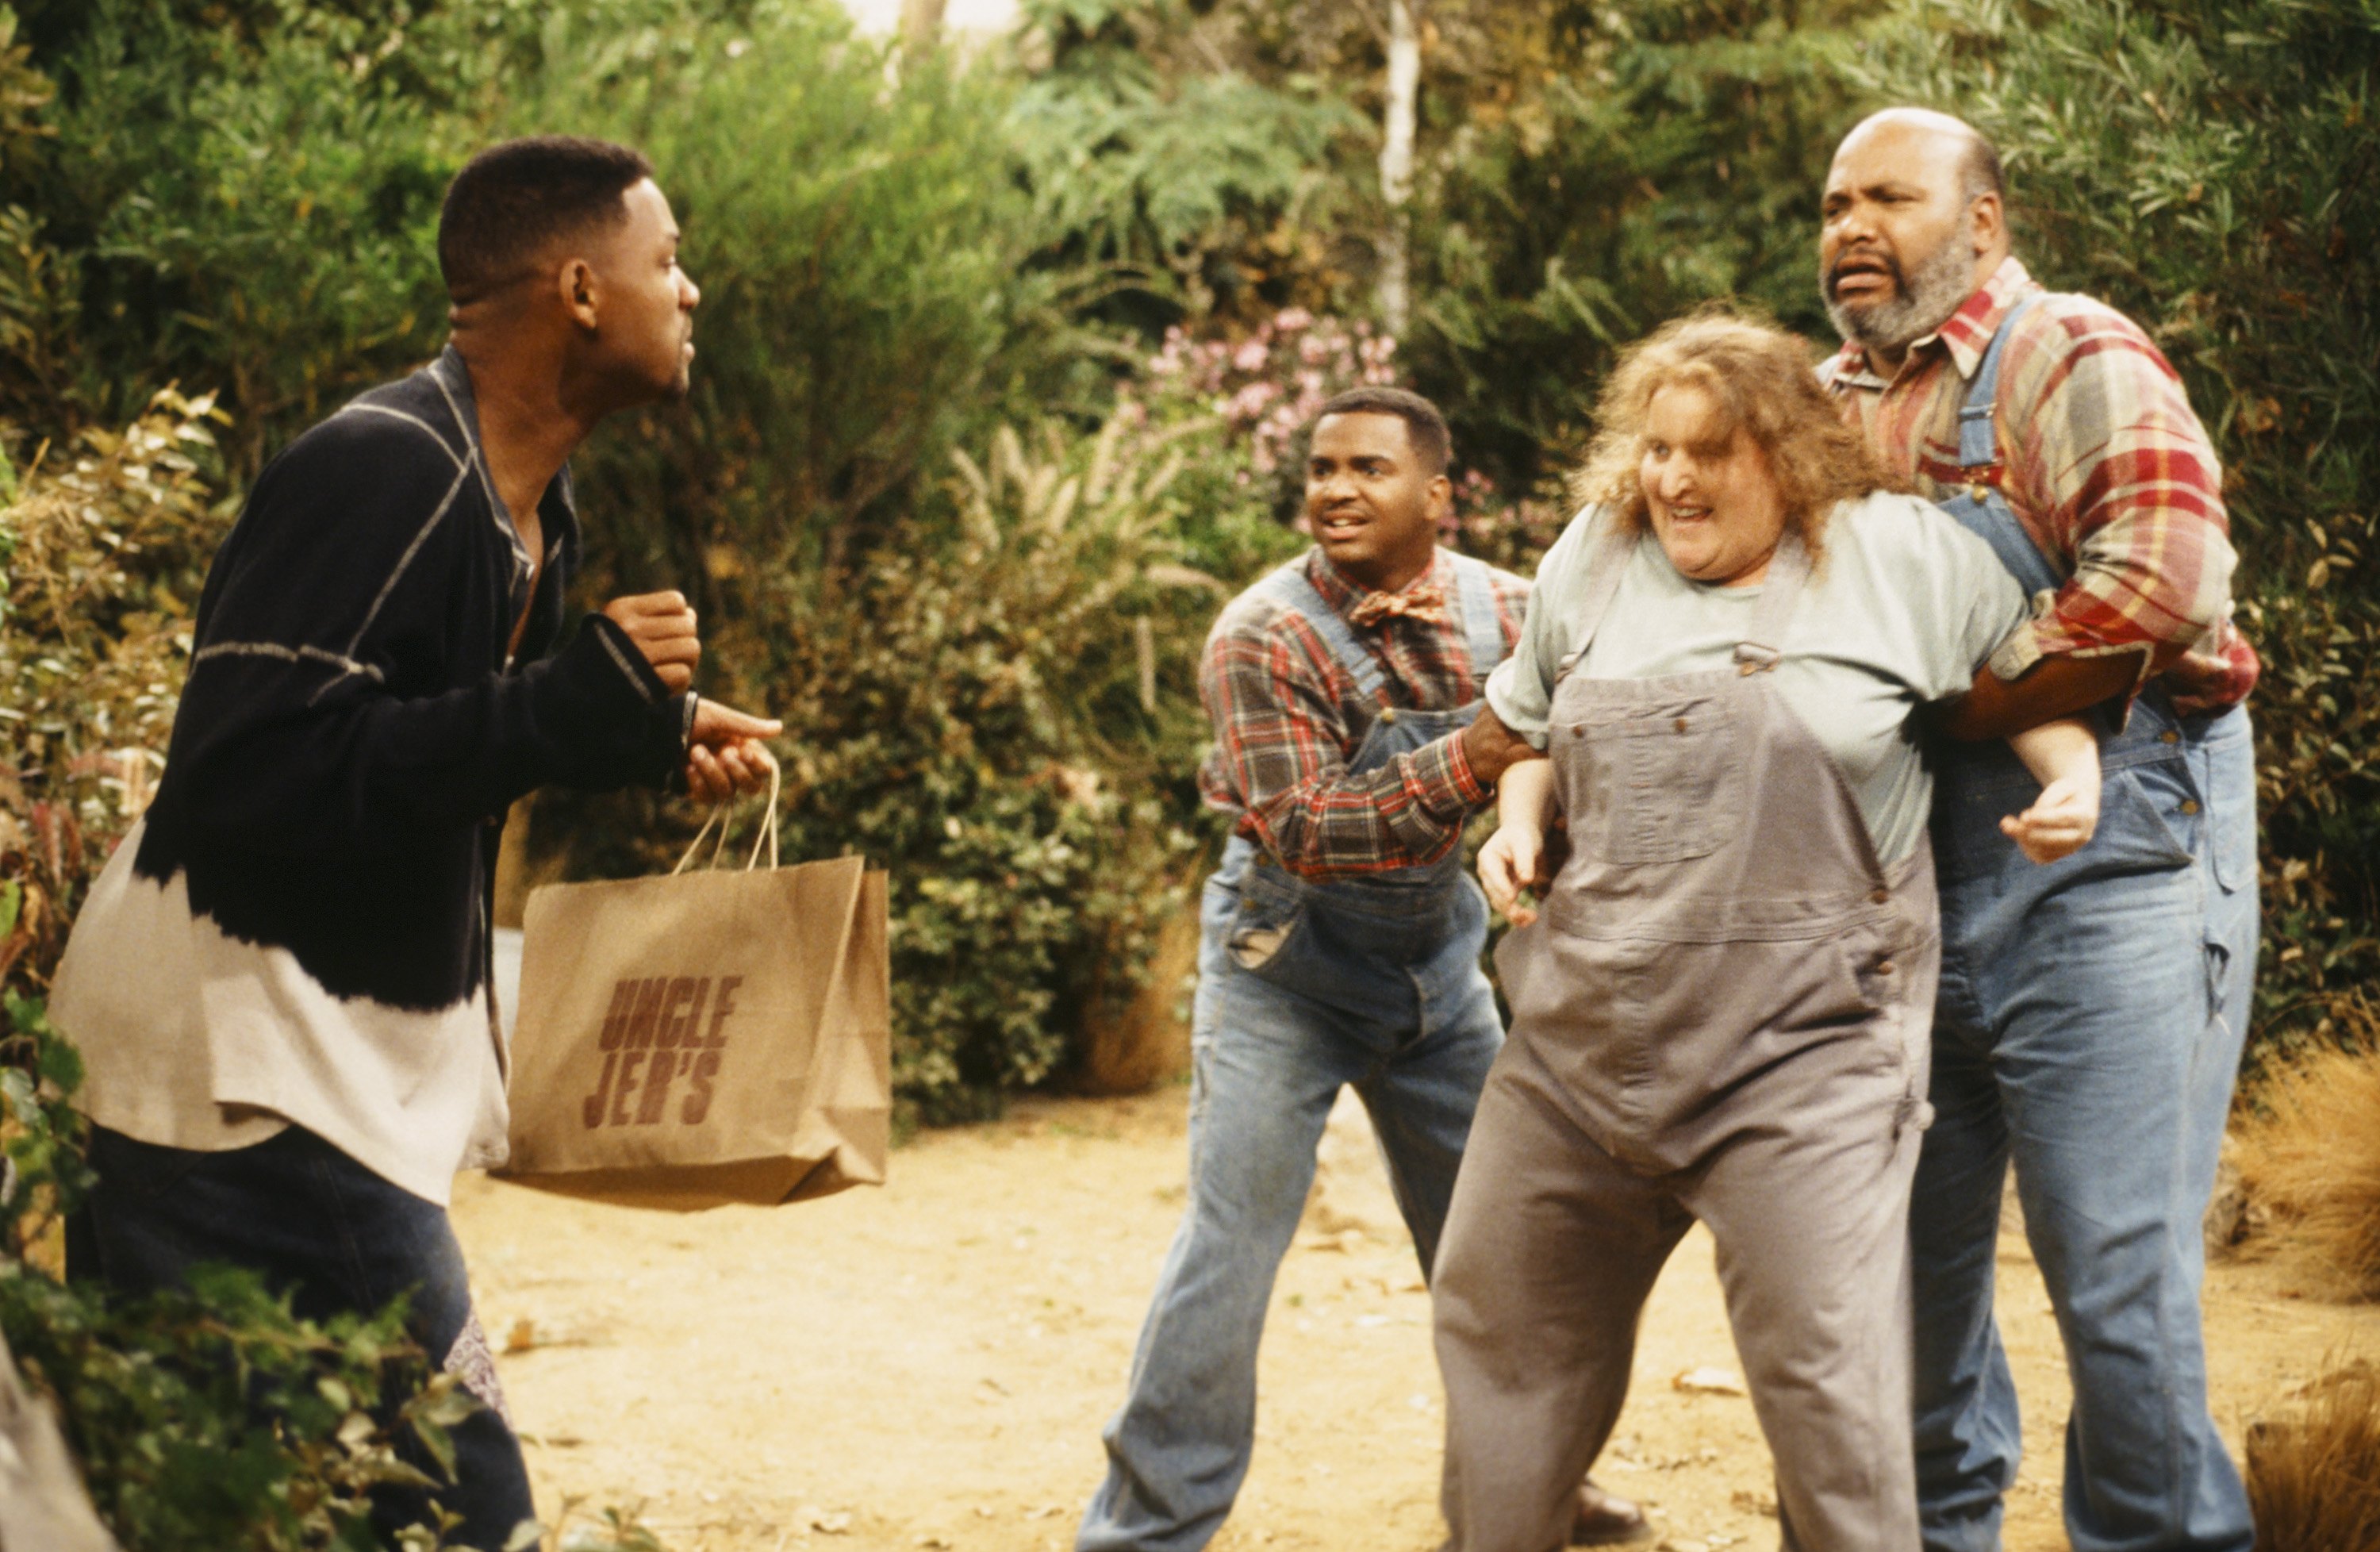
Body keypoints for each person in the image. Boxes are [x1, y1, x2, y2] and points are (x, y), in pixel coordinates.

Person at [51, 136, 780, 1550]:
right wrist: (556, 710)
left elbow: (421, 743)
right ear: (580, 288)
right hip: (246, 1082)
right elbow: (243, 774)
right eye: (667, 261)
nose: (689, 293)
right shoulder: (382, 467)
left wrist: (626, 729)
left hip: (268, 1071)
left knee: (192, 1504)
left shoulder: (531, 514)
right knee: (462, 1508)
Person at [1430, 311, 2104, 1552]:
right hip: (1580, 1043)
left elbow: (2023, 680)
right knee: (1502, 1336)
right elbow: (1525, 722)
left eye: (1709, 453)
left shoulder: (1903, 558)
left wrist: (2075, 777)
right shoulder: (1596, 552)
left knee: (1828, 1386)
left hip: (1804, 1055)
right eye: (1656, 449)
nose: (1672, 479)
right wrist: (1515, 823)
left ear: (1788, 457)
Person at [1081, 386, 1654, 1552]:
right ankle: (1144, 1529)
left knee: (1500, 1253)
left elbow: (1589, 760)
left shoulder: (1516, 607)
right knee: (1229, 1251)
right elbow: (1309, 829)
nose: (1335, 489)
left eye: (1368, 469)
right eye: (1322, 468)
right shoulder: (1265, 633)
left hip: (1442, 977)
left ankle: (1531, 1488)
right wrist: (1477, 754)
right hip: (1285, 967)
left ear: (1438, 495)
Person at [1818, 109, 2259, 1552]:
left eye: (1889, 198)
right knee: (1901, 1271)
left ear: (1984, 223)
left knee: (2112, 1274)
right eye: (1833, 206)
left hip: (2114, 835)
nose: (1850, 229)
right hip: (1893, 872)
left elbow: (2166, 582)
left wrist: (1945, 689)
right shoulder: (1819, 410)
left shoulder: (2070, 350)